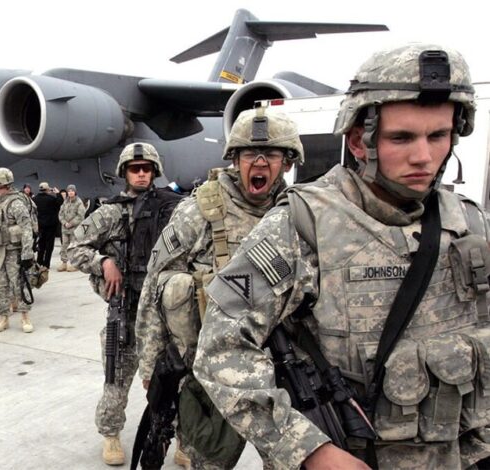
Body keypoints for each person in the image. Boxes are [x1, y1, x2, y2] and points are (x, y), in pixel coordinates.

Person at [193, 44, 490, 470]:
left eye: (437, 136)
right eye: (401, 138)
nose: (423, 156)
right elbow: (220, 348)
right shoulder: (302, 224)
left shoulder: (469, 224)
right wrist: (308, 450)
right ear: (359, 140)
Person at [135, 106, 303, 469]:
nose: (260, 162)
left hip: (281, 369)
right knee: (209, 462)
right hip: (212, 370)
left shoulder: (299, 215)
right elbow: (154, 287)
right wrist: (149, 366)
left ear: (288, 161)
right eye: (250, 154)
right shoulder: (198, 211)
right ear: (235, 159)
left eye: (271, 154)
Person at [70, 142, 182, 465]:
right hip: (126, 313)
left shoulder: (172, 209)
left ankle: (180, 438)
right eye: (135, 169)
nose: (141, 174)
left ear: (155, 172)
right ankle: (110, 434)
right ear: (125, 173)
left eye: (147, 168)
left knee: (175, 382)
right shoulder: (110, 213)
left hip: (164, 315)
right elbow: (74, 249)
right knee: (116, 382)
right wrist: (103, 262)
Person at [0, 167, 36, 332]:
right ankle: (3, 317)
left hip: (14, 251)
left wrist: (27, 253)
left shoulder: (16, 203)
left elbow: (26, 228)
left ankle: (25, 318)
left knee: (19, 284)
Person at [32, 181, 62, 268]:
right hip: (50, 226)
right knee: (49, 246)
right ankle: (46, 264)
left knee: (41, 245)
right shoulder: (52, 199)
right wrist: (58, 193)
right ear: (48, 189)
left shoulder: (34, 199)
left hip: (40, 225)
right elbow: (60, 203)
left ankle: (39, 262)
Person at [57, 184, 84, 272]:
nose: (70, 192)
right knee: (64, 245)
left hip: (74, 229)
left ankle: (74, 264)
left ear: (75, 192)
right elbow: (60, 214)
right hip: (65, 228)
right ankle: (64, 263)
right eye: (69, 191)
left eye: (72, 191)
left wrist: (71, 223)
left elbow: (80, 216)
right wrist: (64, 223)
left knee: (74, 246)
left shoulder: (79, 202)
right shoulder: (65, 202)